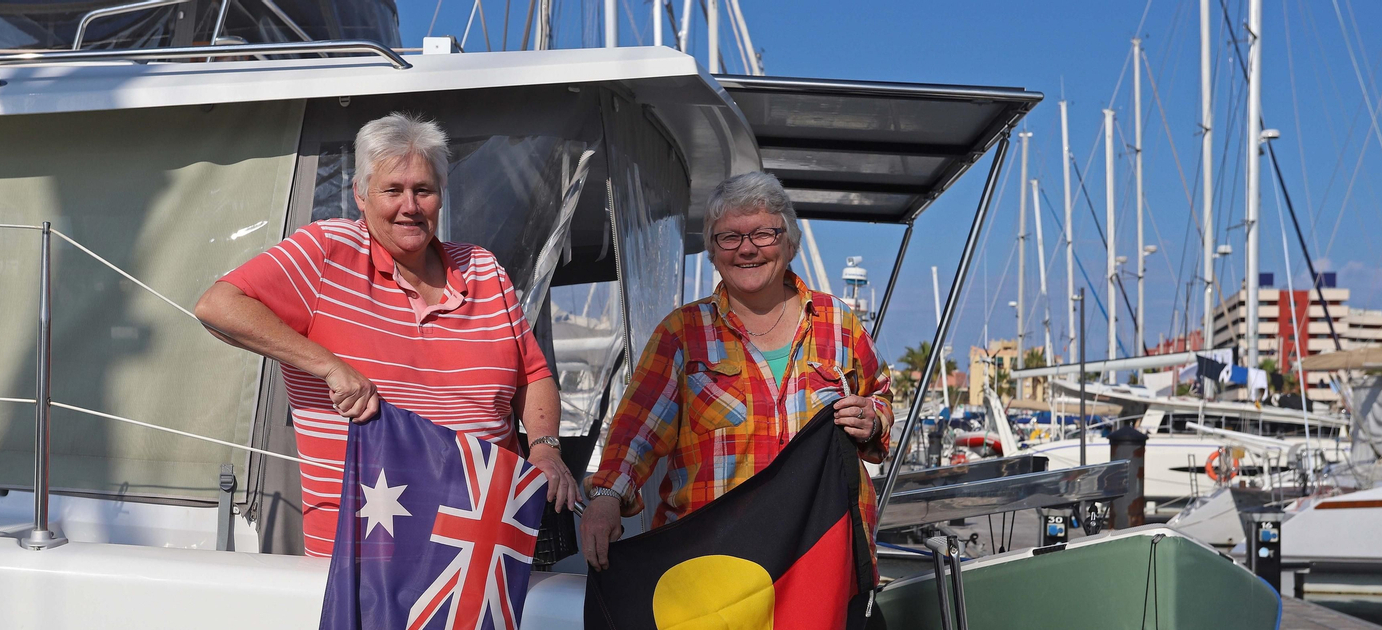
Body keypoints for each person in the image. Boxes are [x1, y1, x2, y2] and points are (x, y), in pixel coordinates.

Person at [196, 112, 580, 557]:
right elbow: (218, 306)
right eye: (392, 190)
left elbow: (532, 375)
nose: (410, 206)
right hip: (368, 559)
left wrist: (546, 448)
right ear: (360, 194)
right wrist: (329, 366)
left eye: (424, 190)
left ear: (441, 196)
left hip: (484, 551)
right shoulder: (328, 252)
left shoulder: (484, 269)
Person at [580, 171, 895, 570]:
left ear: (789, 242)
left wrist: (873, 420)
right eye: (729, 237)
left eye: (764, 234)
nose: (747, 249)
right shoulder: (682, 334)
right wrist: (607, 499)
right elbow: (636, 431)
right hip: (710, 563)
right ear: (712, 251)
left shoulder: (838, 322)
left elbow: (880, 395)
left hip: (823, 562)